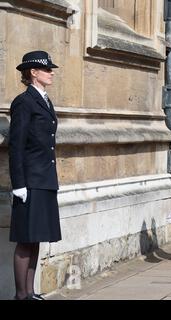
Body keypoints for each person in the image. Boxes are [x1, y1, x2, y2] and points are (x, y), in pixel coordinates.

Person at [9, 51, 61, 300]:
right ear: (33, 72)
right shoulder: (24, 101)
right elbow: (16, 145)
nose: (51, 72)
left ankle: (30, 293)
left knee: (36, 237)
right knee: (24, 239)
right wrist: (19, 184)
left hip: (45, 179)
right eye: (47, 69)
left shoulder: (45, 100)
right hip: (30, 181)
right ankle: (21, 295)